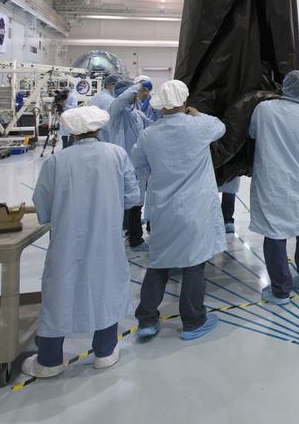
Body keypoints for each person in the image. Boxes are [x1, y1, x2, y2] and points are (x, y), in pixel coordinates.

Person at [24, 105, 141, 378]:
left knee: (60, 292)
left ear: (70, 130)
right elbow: (132, 197)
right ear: (99, 127)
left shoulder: (56, 162)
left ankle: (49, 360)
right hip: (107, 238)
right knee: (106, 287)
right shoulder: (116, 154)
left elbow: (42, 206)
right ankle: (105, 351)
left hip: (67, 240)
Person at [130, 79, 225, 341]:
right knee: (194, 264)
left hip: (164, 208)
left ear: (159, 105)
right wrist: (196, 113)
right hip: (196, 208)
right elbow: (221, 127)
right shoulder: (198, 126)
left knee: (159, 263)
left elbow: (137, 160)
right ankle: (194, 321)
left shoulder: (149, 134)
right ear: (184, 102)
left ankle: (147, 320)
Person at [248, 71, 299, 304]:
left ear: (284, 86)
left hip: (272, 182)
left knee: (274, 234)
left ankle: (281, 291)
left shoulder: (264, 109)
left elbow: (252, 133)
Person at [107, 78, 153, 250]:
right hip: (126, 163)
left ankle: (132, 232)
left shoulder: (135, 112)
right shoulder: (117, 110)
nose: (143, 95)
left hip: (137, 164)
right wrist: (141, 85)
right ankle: (135, 238)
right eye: (141, 92)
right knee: (134, 203)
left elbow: (151, 126)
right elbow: (123, 97)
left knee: (137, 201)